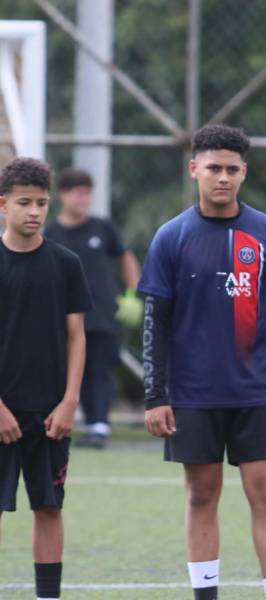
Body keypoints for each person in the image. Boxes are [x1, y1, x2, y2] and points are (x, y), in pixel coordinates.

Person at [138, 125, 266, 600]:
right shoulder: (171, 237)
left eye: (231, 170)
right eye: (213, 169)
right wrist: (155, 395)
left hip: (257, 395)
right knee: (201, 494)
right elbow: (155, 323)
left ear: (244, 172)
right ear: (194, 171)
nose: (222, 178)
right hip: (193, 395)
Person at [0, 157, 92, 600]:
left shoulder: (66, 263)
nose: (34, 211)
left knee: (48, 507)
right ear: (3, 205)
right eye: (24, 202)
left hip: (51, 412)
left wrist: (70, 400)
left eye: (41, 202)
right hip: (0, 411)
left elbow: (76, 337)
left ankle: (47, 596)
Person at [45, 168, 141, 449]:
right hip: (63, 319)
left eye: (88, 194)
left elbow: (126, 257)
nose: (84, 199)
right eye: (78, 193)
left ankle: (99, 427)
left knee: (100, 370)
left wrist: (133, 293)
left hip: (102, 317)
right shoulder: (51, 233)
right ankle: (57, 422)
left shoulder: (103, 227)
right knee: (63, 372)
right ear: (63, 195)